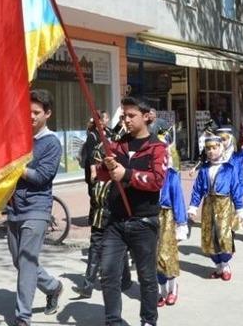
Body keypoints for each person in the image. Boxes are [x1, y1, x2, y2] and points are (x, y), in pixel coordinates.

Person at [96, 97, 167, 326]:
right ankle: (113, 321)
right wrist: (105, 166)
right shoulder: (118, 145)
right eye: (124, 115)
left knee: (146, 277)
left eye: (131, 115)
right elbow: (102, 174)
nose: (126, 120)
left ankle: (148, 320)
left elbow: (157, 181)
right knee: (108, 272)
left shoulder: (157, 147)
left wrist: (126, 174)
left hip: (144, 221)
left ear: (146, 116)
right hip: (115, 220)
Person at [7, 90, 64, 326]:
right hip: (13, 207)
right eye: (27, 111)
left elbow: (41, 177)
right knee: (19, 260)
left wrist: (16, 166)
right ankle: (53, 286)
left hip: (37, 207)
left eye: (36, 112)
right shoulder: (18, 137)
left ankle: (23, 316)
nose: (30, 116)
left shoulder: (51, 143)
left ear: (47, 114)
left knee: (28, 261)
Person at [72, 111, 132, 300]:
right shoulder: (96, 146)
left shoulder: (116, 169)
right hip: (99, 215)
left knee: (118, 248)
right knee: (95, 247)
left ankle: (125, 279)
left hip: (114, 216)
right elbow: (92, 171)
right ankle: (88, 285)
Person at [188, 134, 243, 281]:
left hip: (224, 204)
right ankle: (217, 265)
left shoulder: (228, 168)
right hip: (208, 205)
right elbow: (197, 189)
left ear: (221, 148)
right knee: (210, 235)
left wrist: (240, 208)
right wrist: (193, 206)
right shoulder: (204, 169)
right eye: (208, 149)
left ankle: (225, 264)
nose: (211, 151)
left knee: (223, 234)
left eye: (214, 148)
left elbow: (236, 188)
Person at [156, 146, 187, 307]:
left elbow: (178, 200)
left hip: (167, 218)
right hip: (152, 217)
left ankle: (172, 289)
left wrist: (181, 224)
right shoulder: (148, 174)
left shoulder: (171, 176)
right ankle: (160, 290)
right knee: (154, 257)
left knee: (167, 256)